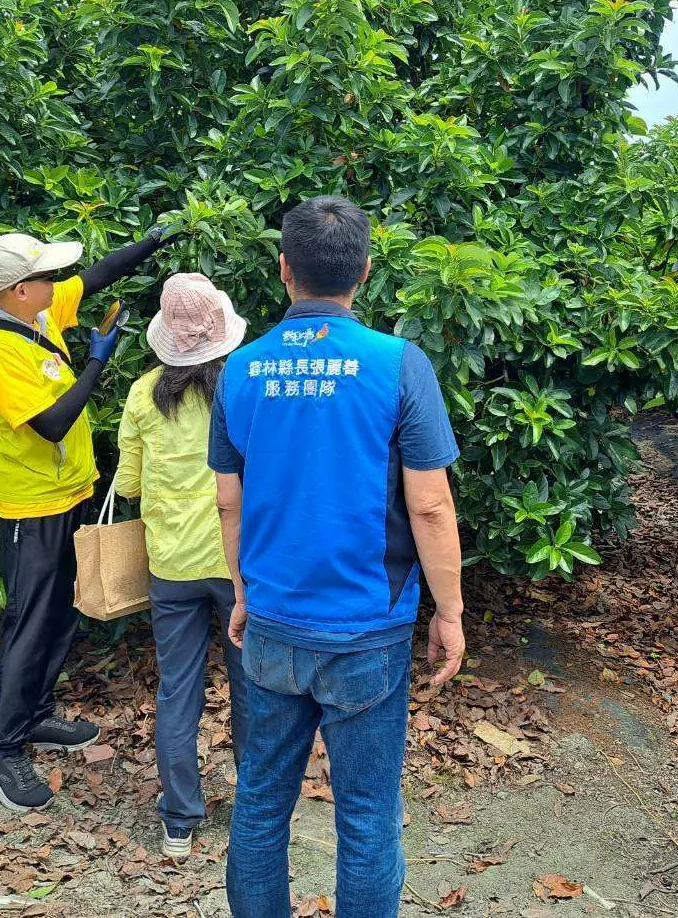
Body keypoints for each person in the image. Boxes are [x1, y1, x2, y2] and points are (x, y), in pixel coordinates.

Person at [209, 195, 466, 918]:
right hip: (366, 631)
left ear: (283, 269)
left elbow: (228, 502)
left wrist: (243, 592)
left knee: (260, 803)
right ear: (366, 271)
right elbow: (429, 505)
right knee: (366, 816)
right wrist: (448, 612)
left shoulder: (240, 370)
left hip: (273, 624)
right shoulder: (397, 365)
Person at [0, 225, 172, 813]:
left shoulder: (35, 313)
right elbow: (51, 422)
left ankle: (36, 717)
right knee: (29, 623)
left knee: (60, 614)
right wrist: (95, 362)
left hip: (68, 494)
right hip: (31, 508)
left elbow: (98, 274)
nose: (58, 284)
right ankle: (2, 750)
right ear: (17, 289)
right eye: (45, 277)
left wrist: (152, 240)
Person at [114, 272, 251, 860]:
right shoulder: (242, 386)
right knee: (252, 686)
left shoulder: (143, 393)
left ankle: (178, 820)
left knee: (178, 691)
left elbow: (128, 481)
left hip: (170, 564)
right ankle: (256, 806)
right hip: (238, 563)